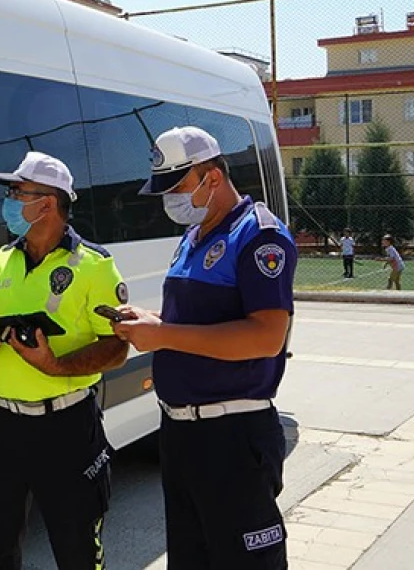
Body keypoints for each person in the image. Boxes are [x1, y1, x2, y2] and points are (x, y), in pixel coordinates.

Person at [112, 126, 296, 570]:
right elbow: (194, 321)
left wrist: (165, 336)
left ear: (212, 177)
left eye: (177, 186)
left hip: (232, 436)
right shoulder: (193, 237)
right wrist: (155, 324)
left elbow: (266, 336)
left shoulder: (258, 237)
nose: (169, 199)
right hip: (180, 434)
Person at [0, 151, 129, 570]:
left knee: (76, 551)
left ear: (47, 203)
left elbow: (117, 348)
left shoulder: (94, 266)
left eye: (17, 192)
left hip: (65, 430)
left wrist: (55, 366)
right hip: (0, 424)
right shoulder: (1, 259)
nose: (10, 201)